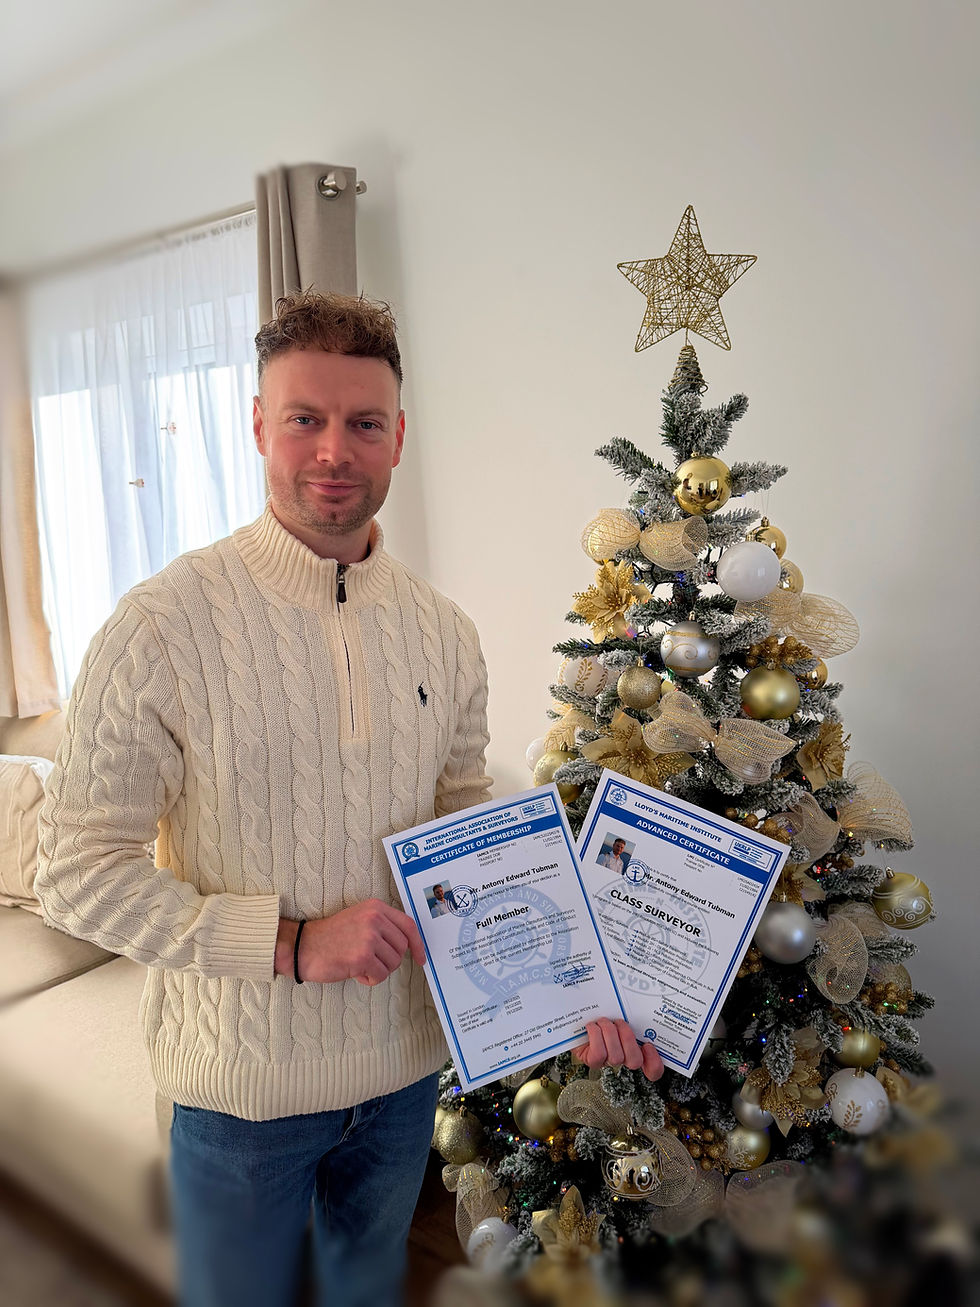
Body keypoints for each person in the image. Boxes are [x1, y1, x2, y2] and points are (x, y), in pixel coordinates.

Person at [36, 290, 661, 1307]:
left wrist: (580, 989)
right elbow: (74, 877)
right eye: (304, 418)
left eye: (363, 422)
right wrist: (288, 941)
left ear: (398, 436)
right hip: (240, 1102)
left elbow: (469, 838)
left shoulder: (443, 630)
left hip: (403, 1082)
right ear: (256, 426)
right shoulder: (158, 626)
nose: (334, 449)